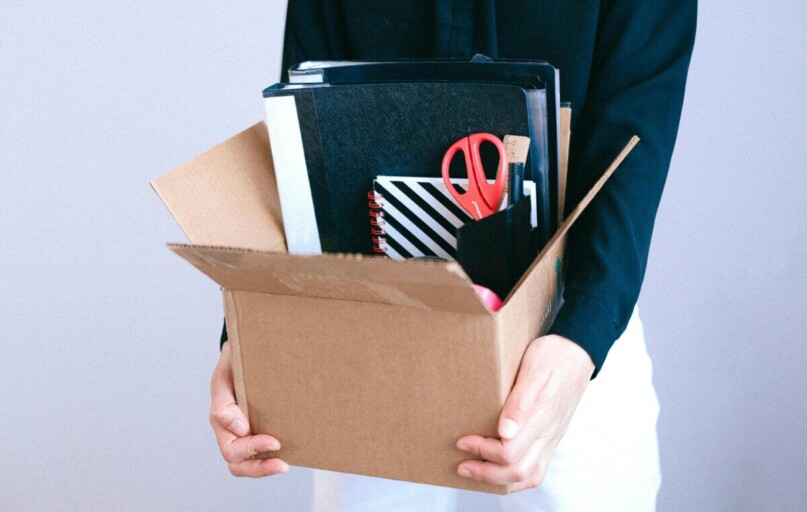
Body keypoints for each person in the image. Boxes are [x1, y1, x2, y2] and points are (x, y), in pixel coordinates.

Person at [208, 1, 697, 510]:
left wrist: (582, 338)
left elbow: (635, 145)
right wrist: (245, 338)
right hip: (371, 329)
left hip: (570, 320)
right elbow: (303, 142)